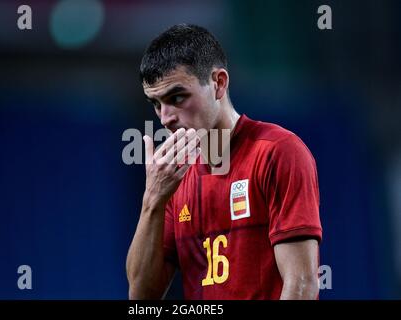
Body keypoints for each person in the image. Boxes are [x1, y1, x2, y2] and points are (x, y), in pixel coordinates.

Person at [126, 24, 322, 300]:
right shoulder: (172, 181)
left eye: (177, 97)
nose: (165, 117)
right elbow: (141, 298)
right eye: (156, 104)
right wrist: (152, 200)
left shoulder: (278, 152)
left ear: (218, 83)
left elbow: (301, 285)